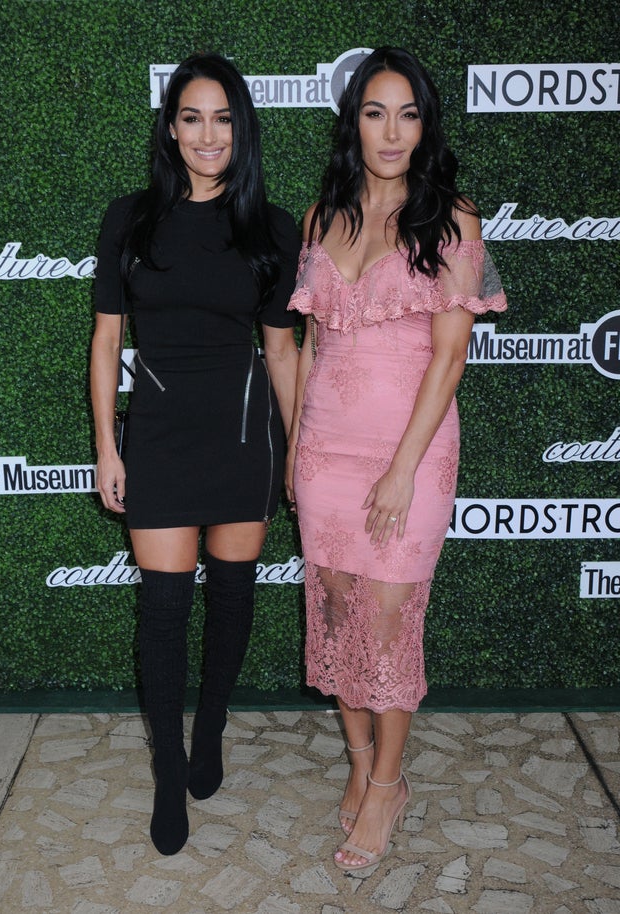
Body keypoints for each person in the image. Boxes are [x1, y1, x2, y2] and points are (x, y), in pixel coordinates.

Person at [285, 47, 507, 873]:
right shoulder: (321, 217)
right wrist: (298, 447)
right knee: (338, 612)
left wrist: (404, 468)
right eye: (376, 112)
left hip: (406, 451)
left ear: (425, 125)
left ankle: (387, 784)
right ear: (354, 122)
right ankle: (358, 763)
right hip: (324, 454)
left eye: (408, 113)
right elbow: (311, 344)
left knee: (387, 618)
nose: (391, 130)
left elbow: (449, 358)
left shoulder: (453, 219)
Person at [90, 52, 300, 856]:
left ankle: (210, 729)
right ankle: (168, 767)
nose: (206, 134)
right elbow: (107, 339)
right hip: (163, 438)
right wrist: (110, 446)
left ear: (241, 129)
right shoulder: (130, 218)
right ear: (170, 125)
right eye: (190, 117)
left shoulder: (271, 227)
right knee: (165, 609)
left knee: (235, 595)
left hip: (245, 435)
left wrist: (296, 452)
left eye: (222, 118)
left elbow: (281, 352)